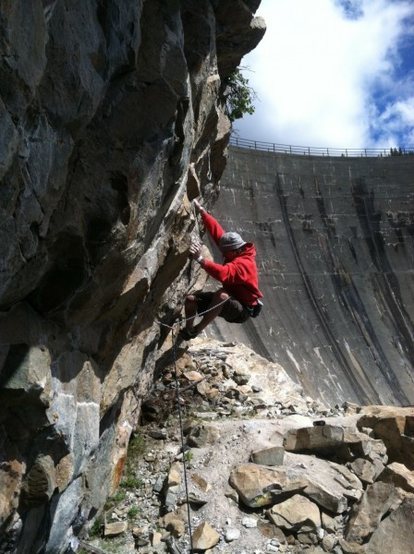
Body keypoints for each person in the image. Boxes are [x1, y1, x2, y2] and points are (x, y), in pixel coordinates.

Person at [179, 199, 263, 340]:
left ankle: (196, 330)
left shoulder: (244, 264)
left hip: (242, 310)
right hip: (229, 301)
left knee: (221, 295)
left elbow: (223, 274)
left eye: (226, 252)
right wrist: (202, 211)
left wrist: (200, 259)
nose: (223, 254)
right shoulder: (234, 250)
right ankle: (188, 329)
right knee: (191, 300)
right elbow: (218, 234)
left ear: (235, 251)